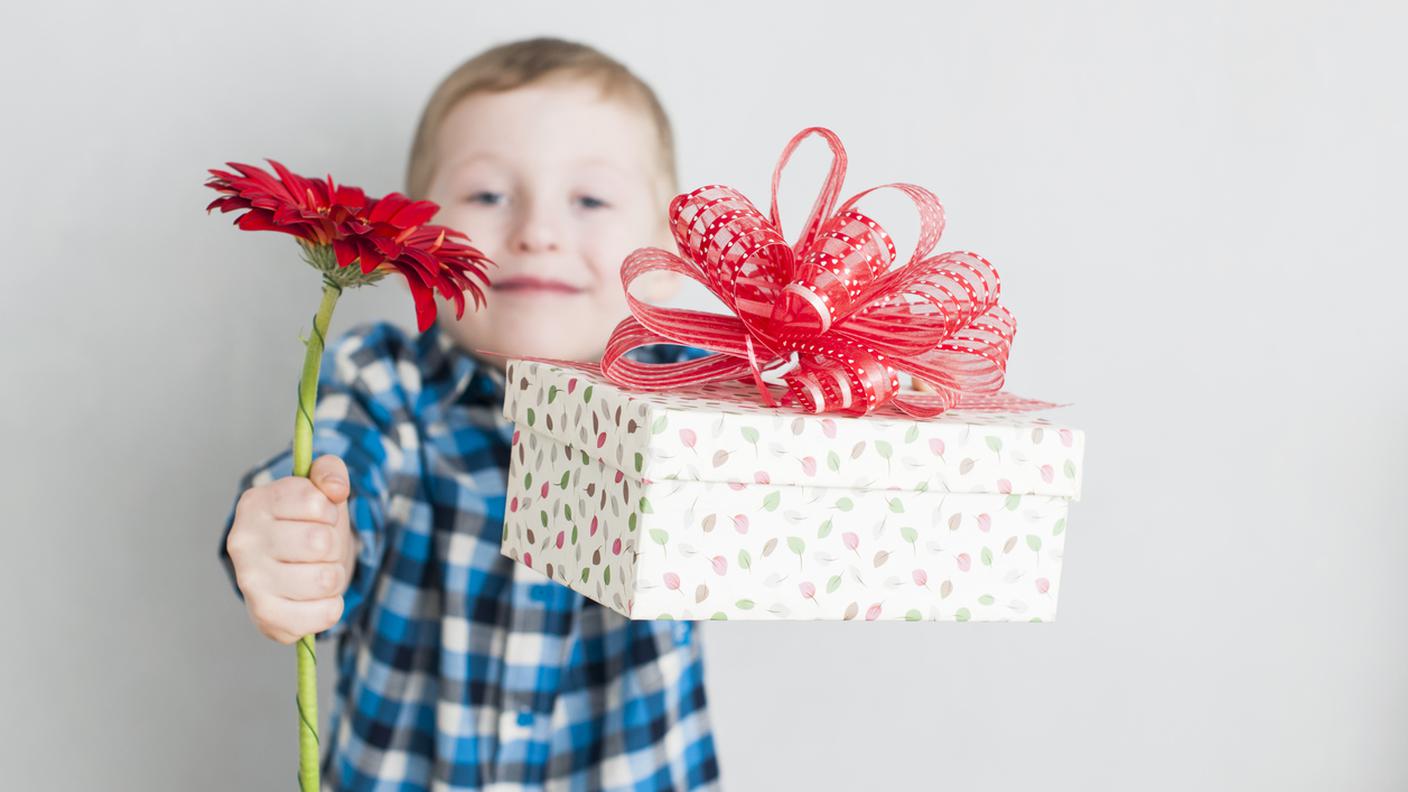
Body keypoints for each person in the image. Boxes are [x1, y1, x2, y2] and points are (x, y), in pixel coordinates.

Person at [220, 37, 719, 790]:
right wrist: (300, 537)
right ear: (416, 237)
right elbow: (338, 468)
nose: (537, 232)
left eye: (589, 199)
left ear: (667, 251)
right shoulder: (384, 383)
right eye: (489, 195)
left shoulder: (704, 399)